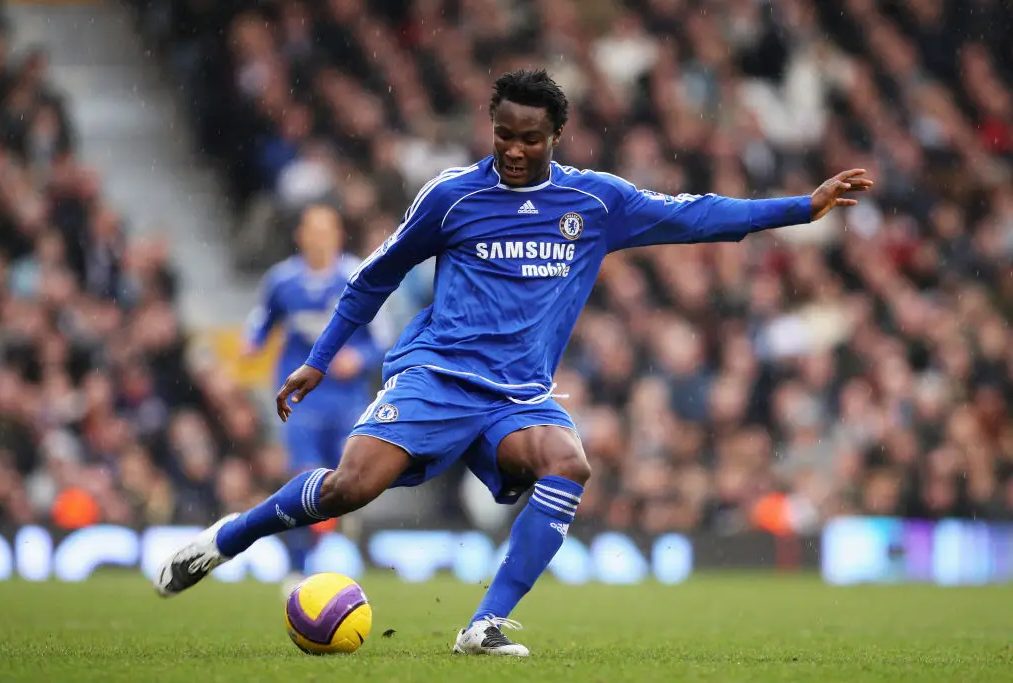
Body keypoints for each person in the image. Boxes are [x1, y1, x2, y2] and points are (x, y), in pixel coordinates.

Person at [154, 69, 873, 657]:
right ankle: (225, 538)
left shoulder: (595, 201)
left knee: (569, 461)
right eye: (503, 135)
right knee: (347, 489)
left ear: (556, 135)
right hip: (436, 375)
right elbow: (374, 274)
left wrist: (800, 209)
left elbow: (698, 214)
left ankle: (484, 624)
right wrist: (318, 358)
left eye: (530, 139)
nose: (515, 150)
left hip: (518, 396)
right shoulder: (451, 196)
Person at [241, 204, 386, 585]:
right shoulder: (282, 281)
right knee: (303, 482)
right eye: (313, 230)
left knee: (348, 485)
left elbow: (384, 339)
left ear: (339, 235)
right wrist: (252, 343)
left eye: (327, 230)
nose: (320, 237)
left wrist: (359, 357)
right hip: (302, 404)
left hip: (347, 402)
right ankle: (297, 566)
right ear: (300, 235)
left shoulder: (358, 274)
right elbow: (262, 322)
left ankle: (342, 553)